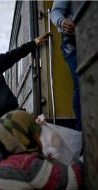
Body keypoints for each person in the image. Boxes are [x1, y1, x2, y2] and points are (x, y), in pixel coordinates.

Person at [0, 110, 83, 190]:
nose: (37, 133)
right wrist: (87, 157)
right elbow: (72, 180)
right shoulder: (27, 164)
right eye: (32, 128)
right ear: (23, 134)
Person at [51, 1, 81, 131]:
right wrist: (62, 22)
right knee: (82, 83)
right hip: (74, 40)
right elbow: (56, 11)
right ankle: (83, 132)